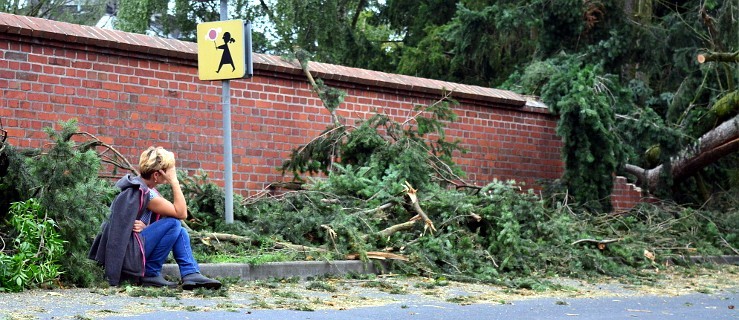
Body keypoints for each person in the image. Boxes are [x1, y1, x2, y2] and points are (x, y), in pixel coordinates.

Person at [89, 146, 221, 290]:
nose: (171, 174)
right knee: (174, 223)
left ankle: (190, 273)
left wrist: (146, 228)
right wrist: (175, 182)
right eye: (168, 171)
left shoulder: (141, 188)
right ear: (156, 175)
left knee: (181, 231)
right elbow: (181, 213)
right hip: (130, 254)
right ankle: (151, 273)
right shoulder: (146, 193)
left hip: (134, 247)